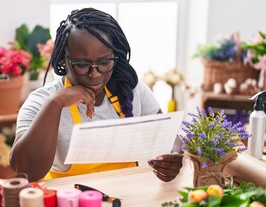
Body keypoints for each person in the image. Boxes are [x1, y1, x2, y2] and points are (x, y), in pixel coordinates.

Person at [10, 8, 183, 182]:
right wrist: (56, 102)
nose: (95, 74)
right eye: (82, 64)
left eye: (104, 62)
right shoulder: (41, 101)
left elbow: (169, 139)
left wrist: (172, 158)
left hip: (128, 195)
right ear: (63, 59)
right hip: (69, 202)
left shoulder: (132, 90)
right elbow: (24, 170)